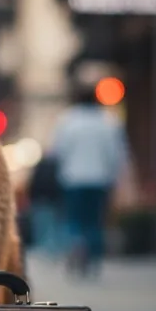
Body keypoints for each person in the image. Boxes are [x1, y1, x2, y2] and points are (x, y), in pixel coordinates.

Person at [52, 84, 129, 276]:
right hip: (99, 179)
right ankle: (93, 260)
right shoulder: (108, 121)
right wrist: (113, 176)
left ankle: (77, 246)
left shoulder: (67, 121)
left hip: (73, 179)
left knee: (74, 220)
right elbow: (116, 154)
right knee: (95, 222)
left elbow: (57, 152)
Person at [27, 154, 63, 258]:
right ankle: (51, 250)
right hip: (52, 201)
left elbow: (33, 185)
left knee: (39, 225)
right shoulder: (55, 170)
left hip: (38, 200)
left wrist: (32, 197)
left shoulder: (39, 170)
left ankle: (41, 248)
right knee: (51, 226)